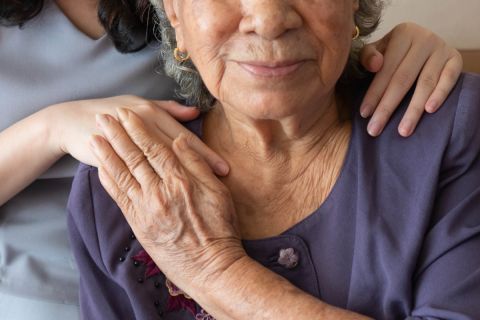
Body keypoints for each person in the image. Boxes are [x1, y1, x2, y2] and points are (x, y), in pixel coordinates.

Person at [0, 0, 463, 319]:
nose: (266, 19)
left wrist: (413, 45)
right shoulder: (104, 194)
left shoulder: (443, 137)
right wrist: (53, 129)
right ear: (175, 18)